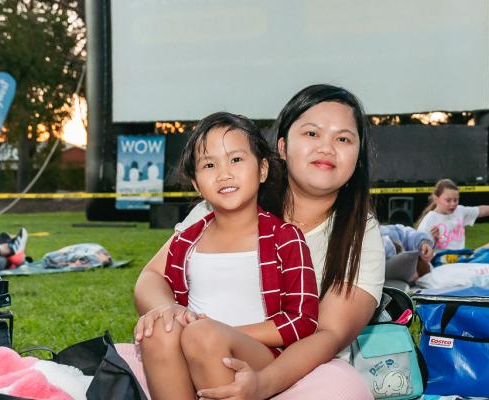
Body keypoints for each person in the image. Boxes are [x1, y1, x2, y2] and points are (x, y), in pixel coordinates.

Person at [137, 84, 384, 400]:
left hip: (299, 375)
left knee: (340, 390)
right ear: (281, 147)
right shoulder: (227, 201)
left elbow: (328, 333)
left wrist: (260, 383)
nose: (326, 147)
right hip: (194, 356)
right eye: (312, 134)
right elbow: (152, 277)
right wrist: (169, 313)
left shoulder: (360, 233)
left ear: (358, 157)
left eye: (343, 138)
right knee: (157, 334)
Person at [133, 112, 319, 399]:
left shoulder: (285, 238)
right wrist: (167, 307)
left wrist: (222, 330)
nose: (224, 173)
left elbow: (302, 321)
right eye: (209, 164)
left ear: (262, 170)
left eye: (236, 159)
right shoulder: (188, 240)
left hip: (258, 355)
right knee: (158, 328)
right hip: (193, 345)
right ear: (196, 184)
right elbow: (149, 278)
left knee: (203, 335)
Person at [416, 178, 489, 258]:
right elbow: (421, 254)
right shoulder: (429, 220)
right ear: (436, 199)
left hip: (462, 258)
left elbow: (481, 210)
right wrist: (433, 241)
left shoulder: (459, 211)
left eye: (456, 200)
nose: (453, 204)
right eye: (448, 200)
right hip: (442, 262)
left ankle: (472, 265)